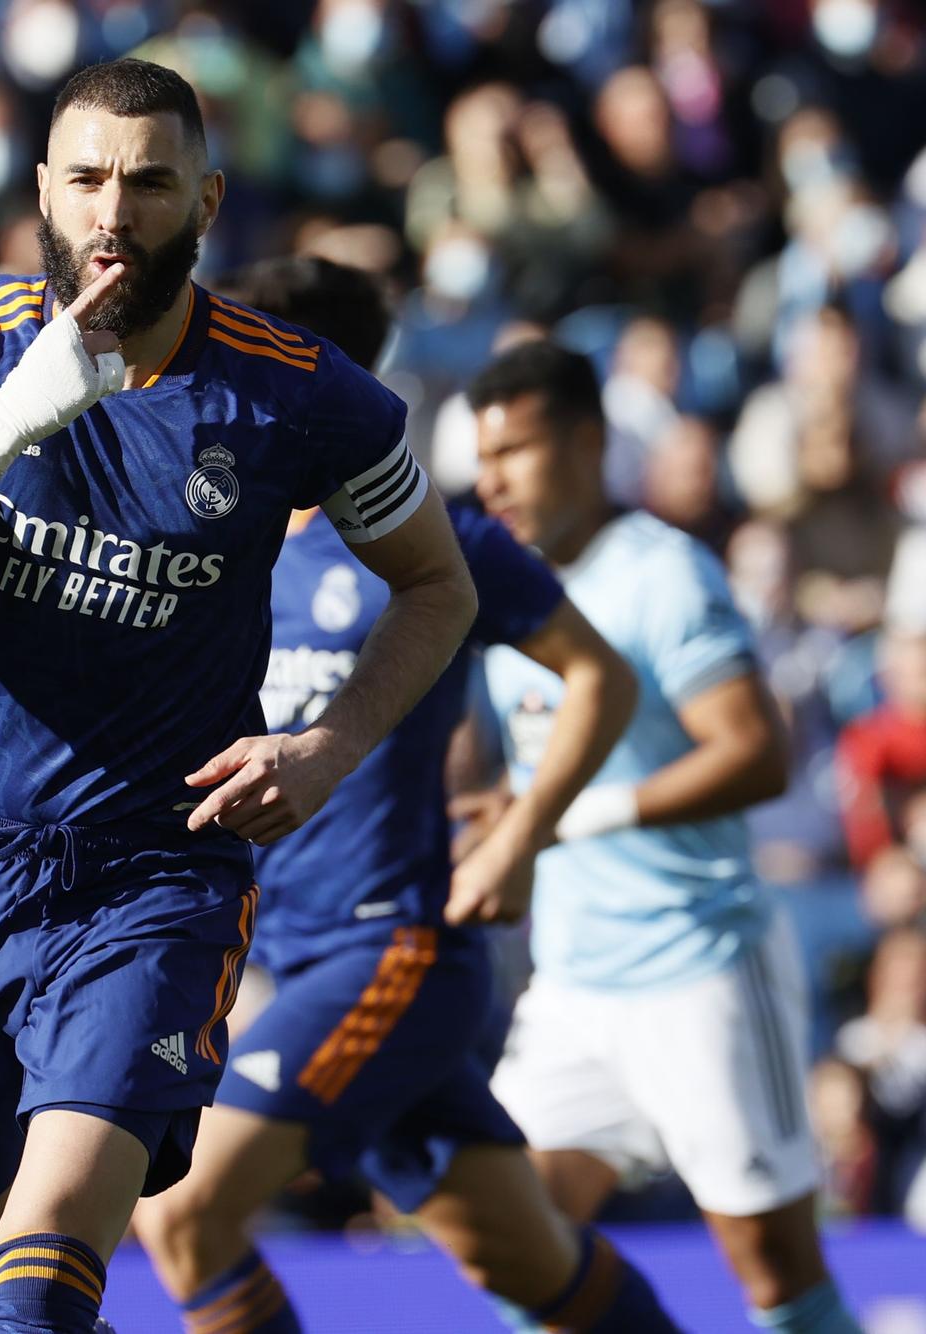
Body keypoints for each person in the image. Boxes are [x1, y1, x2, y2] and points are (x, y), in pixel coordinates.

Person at [0, 60, 480, 1334]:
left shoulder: (299, 392)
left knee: (38, 1288)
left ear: (205, 200)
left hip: (151, 879)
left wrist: (327, 747)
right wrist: (1, 428)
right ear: (41, 193)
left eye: (150, 182)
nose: (114, 213)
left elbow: (437, 584)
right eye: (88, 179)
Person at [132, 256, 675, 1333]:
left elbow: (600, 677)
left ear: (312, 370)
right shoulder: (221, 554)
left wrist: (521, 831)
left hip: (391, 950)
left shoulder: (431, 545)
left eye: (237, 354)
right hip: (289, 960)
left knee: (184, 1217)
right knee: (528, 1261)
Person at [466, 341, 861, 1334]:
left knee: (773, 1270)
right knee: (520, 1251)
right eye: (484, 454)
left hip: (697, 969)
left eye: (516, 448)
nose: (493, 477)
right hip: (571, 988)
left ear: (589, 442)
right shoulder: (511, 590)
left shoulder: (660, 572)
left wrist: (566, 815)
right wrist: (498, 817)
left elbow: (755, 752)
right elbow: (536, 771)